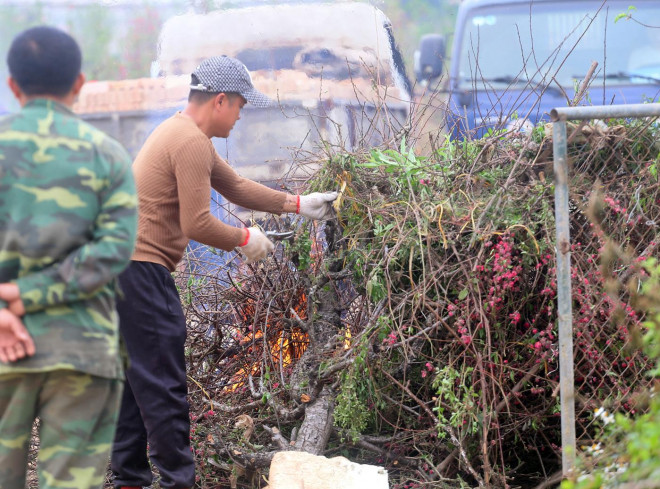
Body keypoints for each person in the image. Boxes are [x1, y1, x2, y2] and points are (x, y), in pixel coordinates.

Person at [110, 55, 337, 489]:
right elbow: (197, 222)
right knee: (163, 388)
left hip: (119, 271)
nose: (241, 115)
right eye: (240, 105)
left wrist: (297, 203)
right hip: (140, 272)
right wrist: (245, 240)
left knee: (133, 385)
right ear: (220, 100)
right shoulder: (190, 141)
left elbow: (234, 186)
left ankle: (129, 481)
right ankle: (180, 482)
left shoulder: (181, 133)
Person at [0, 25, 138, 489]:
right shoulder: (109, 156)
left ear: (13, 85)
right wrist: (27, 294)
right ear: (79, 83)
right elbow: (114, 251)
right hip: (82, 349)